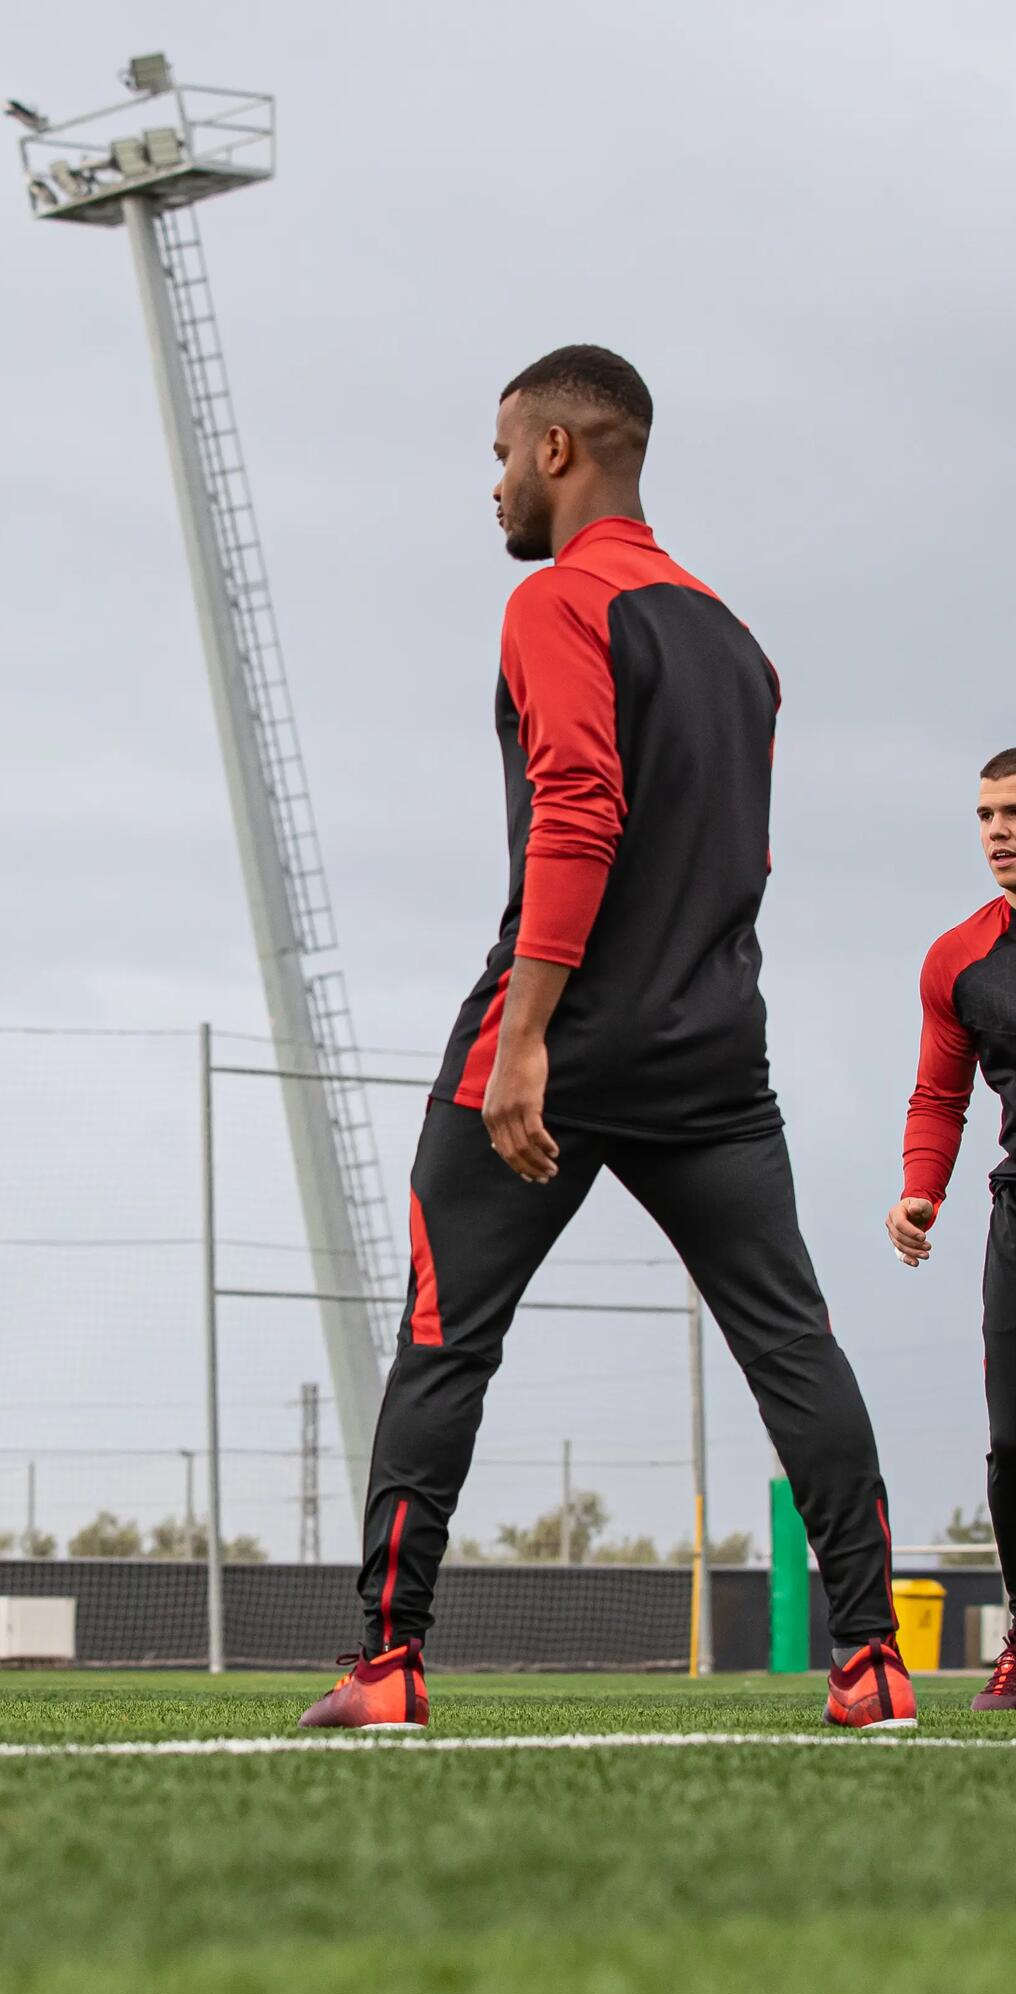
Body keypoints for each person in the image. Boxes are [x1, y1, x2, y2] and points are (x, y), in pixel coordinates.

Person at [301, 346, 913, 1733]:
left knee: (444, 1338)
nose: (497, 483)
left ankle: (389, 1664)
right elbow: (742, 855)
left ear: (561, 452)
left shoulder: (555, 602)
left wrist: (526, 1038)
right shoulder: (736, 640)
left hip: (558, 1036)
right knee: (793, 1340)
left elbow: (579, 805)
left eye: (503, 452)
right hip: (714, 1057)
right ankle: (873, 1662)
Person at [886, 749, 1016, 1711]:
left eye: (1012, 811)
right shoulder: (957, 957)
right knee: (1012, 1446)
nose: (999, 831)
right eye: (984, 815)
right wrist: (918, 1191)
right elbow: (940, 1095)